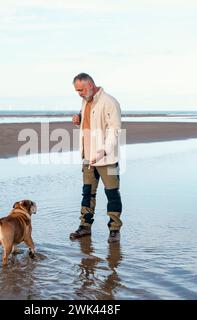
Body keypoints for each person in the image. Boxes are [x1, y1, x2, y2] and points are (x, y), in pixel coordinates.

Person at [69, 73, 123, 243]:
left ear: (90, 85)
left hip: (107, 158)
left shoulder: (110, 102)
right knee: (87, 194)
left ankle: (114, 229)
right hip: (88, 158)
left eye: (81, 90)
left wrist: (103, 151)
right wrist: (79, 120)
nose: (79, 93)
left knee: (112, 194)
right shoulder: (85, 100)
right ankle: (85, 227)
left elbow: (114, 131)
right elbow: (89, 123)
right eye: (77, 91)